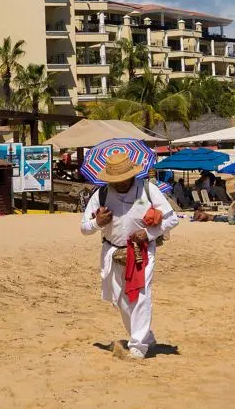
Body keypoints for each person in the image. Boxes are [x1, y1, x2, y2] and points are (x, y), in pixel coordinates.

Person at [80, 152, 179, 360]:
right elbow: (84, 228)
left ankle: (138, 345)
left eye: (123, 179)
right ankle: (145, 335)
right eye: (115, 180)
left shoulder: (148, 190)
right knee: (121, 299)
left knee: (141, 296)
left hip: (142, 251)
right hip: (112, 253)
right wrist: (98, 222)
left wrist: (149, 233)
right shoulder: (101, 195)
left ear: (131, 176)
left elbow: (172, 219)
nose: (120, 184)